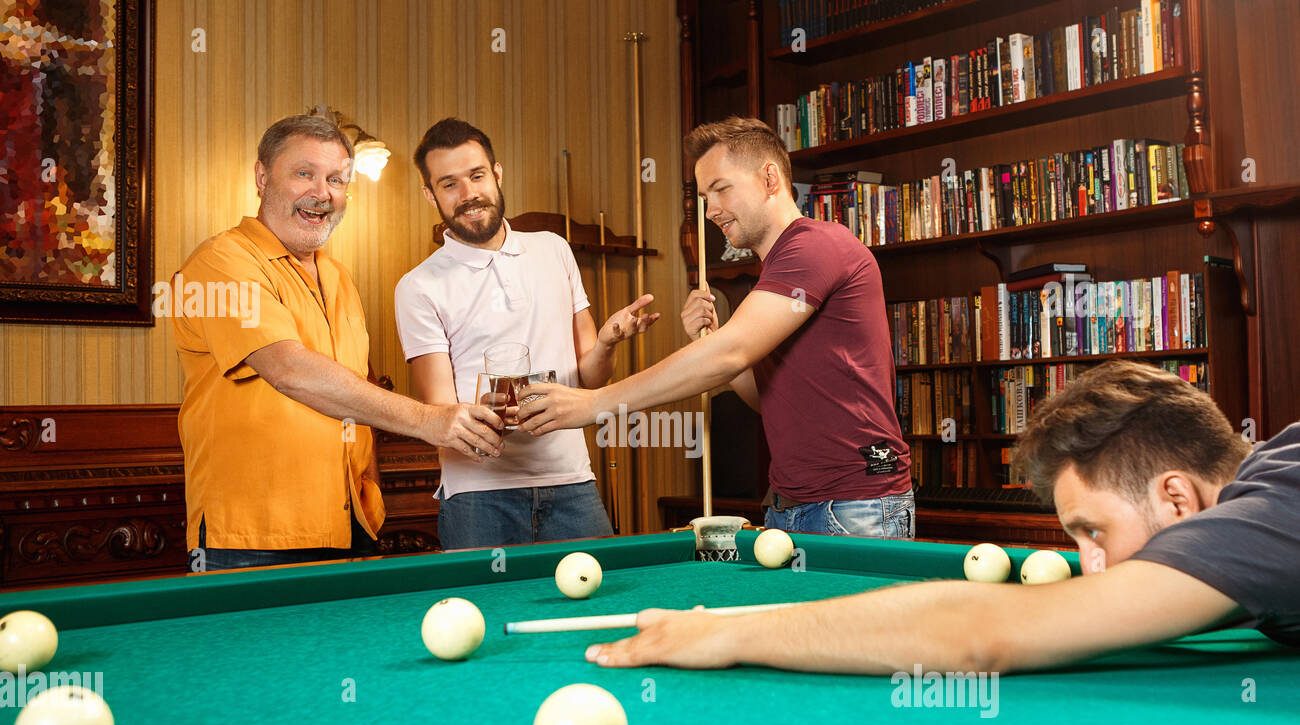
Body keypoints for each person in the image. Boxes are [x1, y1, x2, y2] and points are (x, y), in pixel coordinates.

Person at [575, 361, 1300, 672]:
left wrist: (728, 632)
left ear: (1178, 497)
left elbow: (983, 636)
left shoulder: (1272, 516)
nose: (1089, 565)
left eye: (1096, 533)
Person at [519, 116, 914, 539]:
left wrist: (593, 404)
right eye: (705, 196)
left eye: (722, 189)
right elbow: (767, 399)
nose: (711, 211)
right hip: (793, 505)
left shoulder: (815, 246)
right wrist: (712, 338)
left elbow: (729, 355)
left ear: (769, 178)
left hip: (854, 505)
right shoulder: (775, 274)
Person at [172, 113, 503, 572]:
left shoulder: (339, 278)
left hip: (352, 526)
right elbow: (289, 369)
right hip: (251, 535)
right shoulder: (221, 263)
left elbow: (354, 393)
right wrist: (431, 420)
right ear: (262, 177)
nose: (322, 192)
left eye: (336, 179)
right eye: (304, 173)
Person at [394, 118, 658, 550]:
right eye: (449, 184)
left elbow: (590, 379)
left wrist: (608, 341)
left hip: (571, 480)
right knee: (480, 614)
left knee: (597, 609)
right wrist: (485, 412)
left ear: (497, 174)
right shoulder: (419, 286)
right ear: (430, 194)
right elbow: (439, 411)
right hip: (478, 494)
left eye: (477, 176)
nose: (468, 195)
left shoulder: (553, 248)